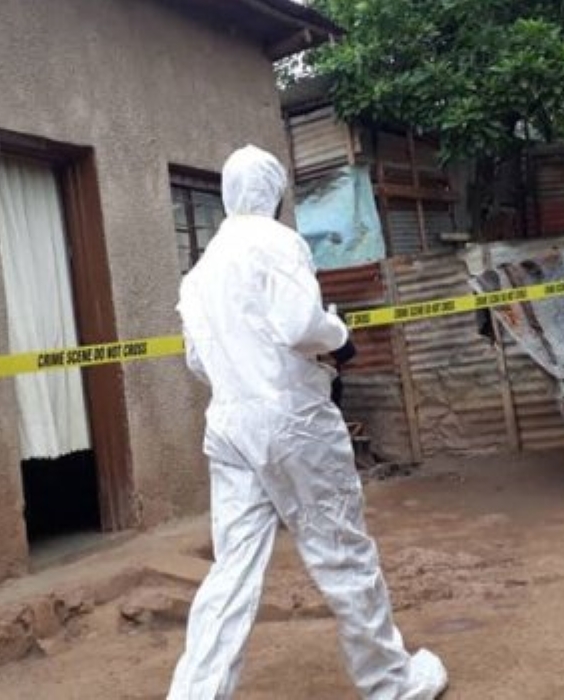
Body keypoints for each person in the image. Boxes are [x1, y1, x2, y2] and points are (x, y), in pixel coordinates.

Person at [169, 145, 449, 700]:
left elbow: (198, 361)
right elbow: (301, 324)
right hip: (292, 420)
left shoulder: (198, 273)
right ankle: (392, 684)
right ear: (274, 195)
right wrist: (339, 336)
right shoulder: (277, 242)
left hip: (229, 425)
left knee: (233, 570)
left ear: (227, 194)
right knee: (342, 552)